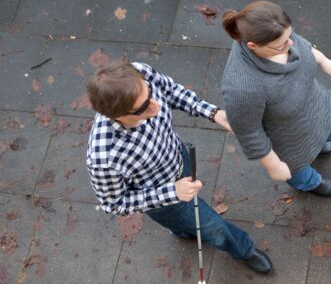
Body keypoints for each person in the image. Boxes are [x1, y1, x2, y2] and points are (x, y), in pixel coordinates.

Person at [85, 60, 272, 274]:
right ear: (117, 116)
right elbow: (114, 203)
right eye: (144, 108)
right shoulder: (104, 158)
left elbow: (170, 91)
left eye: (150, 93)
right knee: (213, 227)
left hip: (179, 157)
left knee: (187, 224)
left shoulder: (140, 73)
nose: (156, 105)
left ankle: (184, 230)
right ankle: (244, 249)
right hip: (163, 198)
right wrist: (172, 192)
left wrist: (212, 113)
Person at [221, 1, 331, 197]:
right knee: (299, 171)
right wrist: (274, 165)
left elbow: (302, 44)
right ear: (253, 46)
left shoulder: (278, 35)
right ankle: (312, 183)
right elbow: (248, 132)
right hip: (289, 139)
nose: (290, 45)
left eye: (290, 37)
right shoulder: (243, 87)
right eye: (282, 45)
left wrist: (323, 60)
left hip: (315, 106)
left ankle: (318, 144)